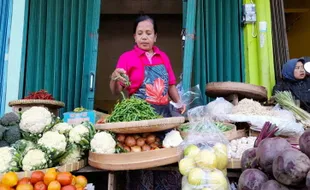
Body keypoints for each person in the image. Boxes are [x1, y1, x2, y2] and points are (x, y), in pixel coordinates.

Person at [109, 15, 183, 189]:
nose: (144, 37)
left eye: (148, 33)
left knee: (166, 160)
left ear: (155, 36)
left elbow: (171, 85)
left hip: (163, 118)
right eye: (140, 33)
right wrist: (113, 78)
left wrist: (179, 103)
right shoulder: (127, 58)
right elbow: (116, 91)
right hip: (139, 120)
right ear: (134, 37)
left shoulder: (163, 57)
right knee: (142, 160)